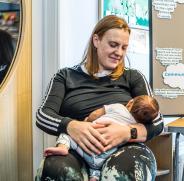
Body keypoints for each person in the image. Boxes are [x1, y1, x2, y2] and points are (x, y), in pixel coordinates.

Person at [36, 15, 164, 181]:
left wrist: (127, 132)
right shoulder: (65, 76)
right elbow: (43, 115)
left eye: (124, 47)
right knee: (54, 169)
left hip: (124, 149)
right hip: (79, 150)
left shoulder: (133, 77)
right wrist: (72, 126)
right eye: (113, 45)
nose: (119, 53)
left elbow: (157, 122)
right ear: (96, 40)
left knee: (129, 170)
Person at [44, 95, 160, 181]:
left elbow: (95, 114)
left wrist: (87, 120)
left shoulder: (118, 107)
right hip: (103, 154)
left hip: (85, 143)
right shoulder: (135, 122)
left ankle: (63, 147)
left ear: (130, 103)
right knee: (103, 159)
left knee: (66, 134)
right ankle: (95, 175)